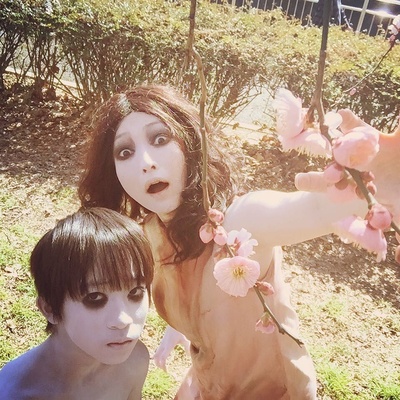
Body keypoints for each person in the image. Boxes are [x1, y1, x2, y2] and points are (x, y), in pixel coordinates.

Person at [78, 84, 400, 399]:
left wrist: (387, 179)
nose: (145, 161)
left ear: (190, 143)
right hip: (208, 384)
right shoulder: (149, 233)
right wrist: (180, 330)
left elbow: (316, 209)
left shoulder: (240, 225)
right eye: (125, 152)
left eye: (160, 139)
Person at [0, 207, 154, 400]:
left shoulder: (134, 362)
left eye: (135, 292)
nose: (123, 320)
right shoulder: (17, 394)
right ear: (50, 308)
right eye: (95, 298)